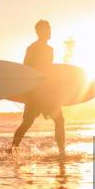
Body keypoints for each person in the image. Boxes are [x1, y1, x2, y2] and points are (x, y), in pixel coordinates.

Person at [11, 20, 65, 155]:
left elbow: (49, 72)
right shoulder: (32, 48)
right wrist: (27, 91)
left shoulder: (50, 49)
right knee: (27, 123)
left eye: (49, 28)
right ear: (39, 32)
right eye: (46, 29)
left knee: (59, 120)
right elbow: (25, 69)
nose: (49, 31)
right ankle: (13, 149)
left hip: (46, 93)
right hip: (35, 93)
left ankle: (62, 151)